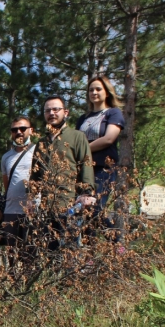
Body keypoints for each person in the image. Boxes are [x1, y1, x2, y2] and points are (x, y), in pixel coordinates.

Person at [29, 96, 95, 248]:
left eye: (55, 109)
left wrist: (86, 193)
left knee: (70, 253)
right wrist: (30, 198)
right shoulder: (41, 143)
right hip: (46, 208)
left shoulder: (77, 137)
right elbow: (35, 173)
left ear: (65, 113)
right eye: (48, 110)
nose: (51, 113)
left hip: (70, 204)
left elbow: (86, 164)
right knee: (49, 251)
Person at [76, 76, 125, 239]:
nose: (94, 92)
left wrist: (84, 150)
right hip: (84, 170)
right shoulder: (83, 119)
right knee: (83, 209)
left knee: (94, 206)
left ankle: (116, 245)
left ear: (107, 92)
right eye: (91, 90)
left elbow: (109, 138)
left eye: (98, 89)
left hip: (104, 168)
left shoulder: (113, 113)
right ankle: (88, 258)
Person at [0, 117, 38, 246]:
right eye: (14, 129)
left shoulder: (39, 151)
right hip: (11, 210)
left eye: (23, 128)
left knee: (32, 254)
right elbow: (6, 183)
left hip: (33, 210)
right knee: (12, 254)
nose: (19, 132)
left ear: (31, 130)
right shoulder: (6, 157)